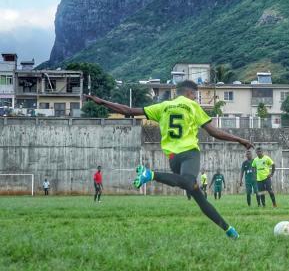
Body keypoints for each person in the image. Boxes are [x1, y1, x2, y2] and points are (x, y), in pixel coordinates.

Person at [85, 80, 253, 239]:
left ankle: (229, 230)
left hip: (173, 159)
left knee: (197, 195)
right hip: (189, 153)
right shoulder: (192, 106)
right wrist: (239, 139)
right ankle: (150, 174)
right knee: (188, 183)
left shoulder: (163, 106)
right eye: (195, 95)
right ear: (189, 93)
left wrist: (102, 102)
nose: (196, 98)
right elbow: (214, 132)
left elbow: (128, 111)